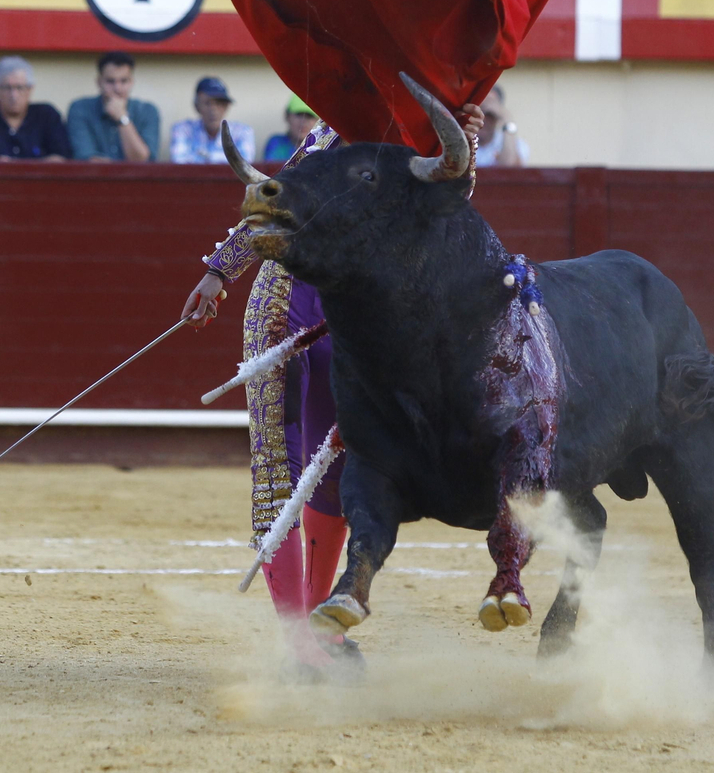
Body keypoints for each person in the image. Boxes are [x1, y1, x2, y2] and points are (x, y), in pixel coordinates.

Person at [179, 100, 486, 674]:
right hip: (294, 308)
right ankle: (306, 643)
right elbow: (275, 200)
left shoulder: (387, 136)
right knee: (295, 464)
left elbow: (449, 199)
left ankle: (317, 632)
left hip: (349, 319)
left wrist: (461, 151)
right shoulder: (340, 132)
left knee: (331, 464)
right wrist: (220, 269)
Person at [0, 56, 72, 160]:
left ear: (30, 89)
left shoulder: (47, 115)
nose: (13, 95)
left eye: (19, 87)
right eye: (7, 88)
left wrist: (22, 169)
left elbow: (62, 157)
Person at [66, 52, 162, 161]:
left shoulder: (148, 111)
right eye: (110, 81)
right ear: (99, 82)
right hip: (96, 178)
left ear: (131, 82)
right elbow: (86, 159)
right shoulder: (80, 109)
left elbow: (143, 161)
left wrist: (122, 118)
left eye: (124, 81)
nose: (117, 88)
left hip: (136, 178)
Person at [169, 77, 255, 163]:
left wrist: (202, 157)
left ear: (226, 107)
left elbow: (244, 165)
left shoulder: (241, 132)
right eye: (207, 103)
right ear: (196, 106)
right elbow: (180, 164)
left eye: (219, 103)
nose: (213, 110)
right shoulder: (183, 129)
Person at [263, 95, 318, 161]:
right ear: (287, 116)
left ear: (318, 121)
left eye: (309, 116)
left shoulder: (324, 147)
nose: (303, 122)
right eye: (299, 115)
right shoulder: (277, 143)